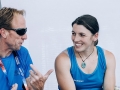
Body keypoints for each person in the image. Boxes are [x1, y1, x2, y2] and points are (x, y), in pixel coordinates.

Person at [55, 14, 116, 90]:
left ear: (95, 36)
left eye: (82, 35)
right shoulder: (63, 59)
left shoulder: (108, 57)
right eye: (73, 33)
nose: (76, 39)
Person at [0, 7, 53, 90]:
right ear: (4, 32)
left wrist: (38, 88)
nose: (25, 37)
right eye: (21, 31)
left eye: (25, 31)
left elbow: (30, 87)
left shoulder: (22, 52)